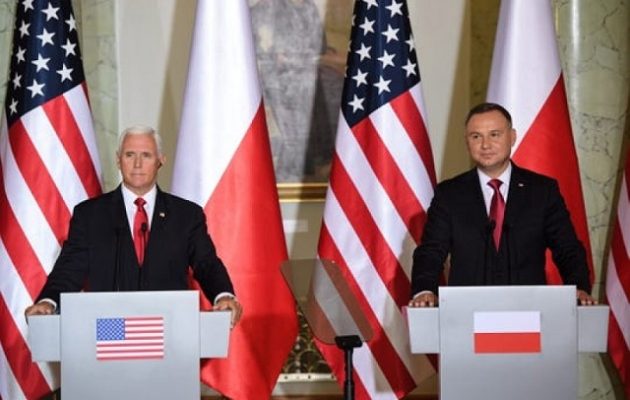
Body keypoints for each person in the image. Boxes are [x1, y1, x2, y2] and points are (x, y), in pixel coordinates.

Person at [25, 126, 242, 325]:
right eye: (130, 155)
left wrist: (223, 295)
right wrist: (48, 301)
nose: (137, 164)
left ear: (161, 160)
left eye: (146, 155)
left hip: (169, 331)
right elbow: (69, 269)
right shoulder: (90, 215)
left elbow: (206, 263)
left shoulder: (186, 215)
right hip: (109, 331)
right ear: (118, 160)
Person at [409, 102, 596, 308]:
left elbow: (567, 249)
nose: (485, 145)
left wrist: (579, 287)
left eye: (495, 135)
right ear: (467, 142)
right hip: (466, 312)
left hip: (529, 312)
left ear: (512, 137)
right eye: (476, 136)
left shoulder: (542, 191)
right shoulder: (449, 194)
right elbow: (431, 251)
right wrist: (424, 291)